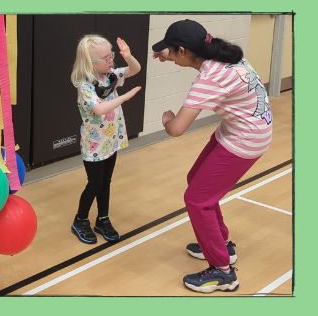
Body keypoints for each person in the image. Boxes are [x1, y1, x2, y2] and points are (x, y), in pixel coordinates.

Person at [152, 19, 273, 293]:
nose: (167, 56)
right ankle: (222, 243)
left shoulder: (210, 78)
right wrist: (169, 54)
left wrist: (167, 120)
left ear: (182, 50)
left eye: (170, 51)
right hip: (240, 129)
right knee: (195, 180)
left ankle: (223, 271)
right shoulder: (228, 55)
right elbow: (189, 57)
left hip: (246, 139)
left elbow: (177, 129)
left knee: (196, 200)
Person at [70, 34, 142, 244]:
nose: (111, 60)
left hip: (110, 141)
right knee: (94, 184)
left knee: (105, 183)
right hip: (94, 146)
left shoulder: (109, 75)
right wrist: (124, 97)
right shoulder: (85, 87)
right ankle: (80, 219)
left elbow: (134, 69)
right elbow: (100, 109)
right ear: (90, 63)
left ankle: (103, 219)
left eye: (111, 55)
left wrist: (128, 57)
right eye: (105, 58)